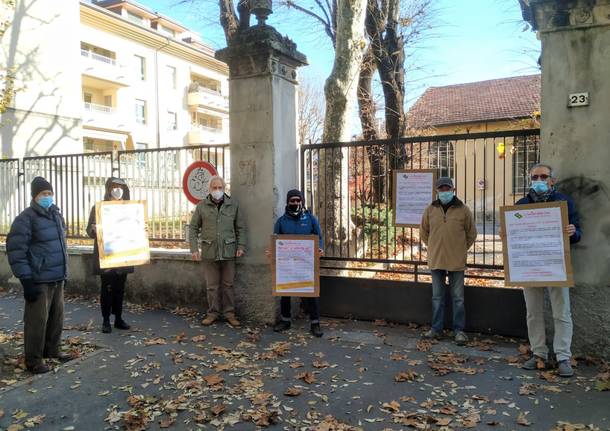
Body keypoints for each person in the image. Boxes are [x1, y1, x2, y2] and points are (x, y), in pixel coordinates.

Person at [514, 163, 581, 377]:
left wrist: (574, 231)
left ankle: (563, 356)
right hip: (529, 266)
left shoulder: (564, 202)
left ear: (552, 180)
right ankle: (538, 353)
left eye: (544, 176)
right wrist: (507, 234)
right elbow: (515, 235)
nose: (539, 180)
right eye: (535, 177)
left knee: (562, 312)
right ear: (530, 180)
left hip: (556, 264)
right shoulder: (521, 204)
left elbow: (578, 231)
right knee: (533, 312)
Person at [6, 177, 72, 374]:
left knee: (56, 318)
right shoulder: (25, 219)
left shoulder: (56, 214)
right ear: (35, 196)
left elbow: (61, 244)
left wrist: (64, 273)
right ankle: (33, 360)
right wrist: (26, 280)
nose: (48, 197)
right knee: (37, 321)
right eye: (44, 194)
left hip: (57, 276)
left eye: (50, 193)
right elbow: (16, 250)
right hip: (39, 279)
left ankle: (52, 351)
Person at [420, 177, 477, 345]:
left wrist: (460, 248)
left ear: (453, 189)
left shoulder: (463, 210)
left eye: (447, 189)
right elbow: (424, 232)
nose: (444, 192)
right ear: (437, 191)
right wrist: (433, 247)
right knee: (437, 297)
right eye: (441, 189)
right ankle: (436, 329)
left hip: (456, 260)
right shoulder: (430, 209)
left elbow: (471, 233)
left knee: (458, 298)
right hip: (436, 259)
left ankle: (459, 331)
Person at [189, 176, 246, 327]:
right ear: (209, 190)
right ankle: (212, 313)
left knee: (228, 285)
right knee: (212, 286)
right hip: (209, 251)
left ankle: (229, 314)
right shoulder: (202, 206)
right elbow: (193, 228)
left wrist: (241, 246)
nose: (217, 191)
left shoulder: (233, 205)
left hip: (229, 251)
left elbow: (240, 227)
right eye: (214, 188)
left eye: (220, 187)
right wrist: (194, 248)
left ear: (224, 188)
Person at [271, 190, 324, 338]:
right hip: (287, 264)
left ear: (302, 201)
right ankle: (285, 320)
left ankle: (315, 323)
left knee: (310, 292)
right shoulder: (281, 221)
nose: (295, 203)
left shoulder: (311, 219)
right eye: (292, 201)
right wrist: (272, 252)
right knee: (285, 292)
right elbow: (275, 239)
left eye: (298, 201)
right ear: (288, 202)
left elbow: (318, 236)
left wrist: (320, 248)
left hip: (306, 263)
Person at [86, 177, 134, 334]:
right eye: (114, 187)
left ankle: (118, 318)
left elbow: (136, 227)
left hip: (123, 255)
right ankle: (106, 320)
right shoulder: (99, 208)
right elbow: (89, 230)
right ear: (108, 189)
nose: (117, 190)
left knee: (120, 288)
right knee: (107, 288)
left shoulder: (130, 208)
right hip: (106, 255)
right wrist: (94, 229)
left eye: (120, 187)